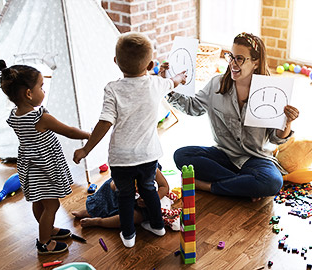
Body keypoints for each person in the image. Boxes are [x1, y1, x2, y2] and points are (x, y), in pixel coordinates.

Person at [73, 32, 186, 248]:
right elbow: (173, 82)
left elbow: (104, 123)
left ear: (116, 62)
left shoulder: (112, 89)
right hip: (148, 156)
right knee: (149, 190)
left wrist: (86, 150)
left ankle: (128, 236)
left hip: (121, 159)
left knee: (125, 195)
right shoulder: (156, 84)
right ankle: (158, 226)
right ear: (151, 64)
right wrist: (180, 76)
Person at [167, 32, 299, 200]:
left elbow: (275, 139)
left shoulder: (270, 91)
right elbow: (193, 107)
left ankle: (209, 186)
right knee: (181, 155)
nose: (233, 63)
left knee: (272, 182)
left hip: (256, 158)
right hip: (223, 155)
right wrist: (170, 87)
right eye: (231, 57)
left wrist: (287, 122)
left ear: (255, 63)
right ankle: (244, 186)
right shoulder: (216, 84)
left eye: (240, 59)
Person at [0, 60, 90, 255]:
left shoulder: (14, 115)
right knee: (53, 204)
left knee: (39, 202)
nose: (44, 91)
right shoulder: (40, 117)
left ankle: (48, 229)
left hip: (29, 166)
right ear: (28, 93)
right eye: (41, 86)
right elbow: (70, 131)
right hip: (44, 167)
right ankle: (44, 242)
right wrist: (90, 135)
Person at [71, 168, 169, 229]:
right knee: (107, 186)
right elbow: (113, 184)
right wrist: (119, 187)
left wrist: (152, 199)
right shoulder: (124, 169)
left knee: (132, 218)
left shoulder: (152, 168)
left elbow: (164, 187)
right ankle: (92, 210)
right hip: (121, 196)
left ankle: (99, 221)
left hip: (142, 204)